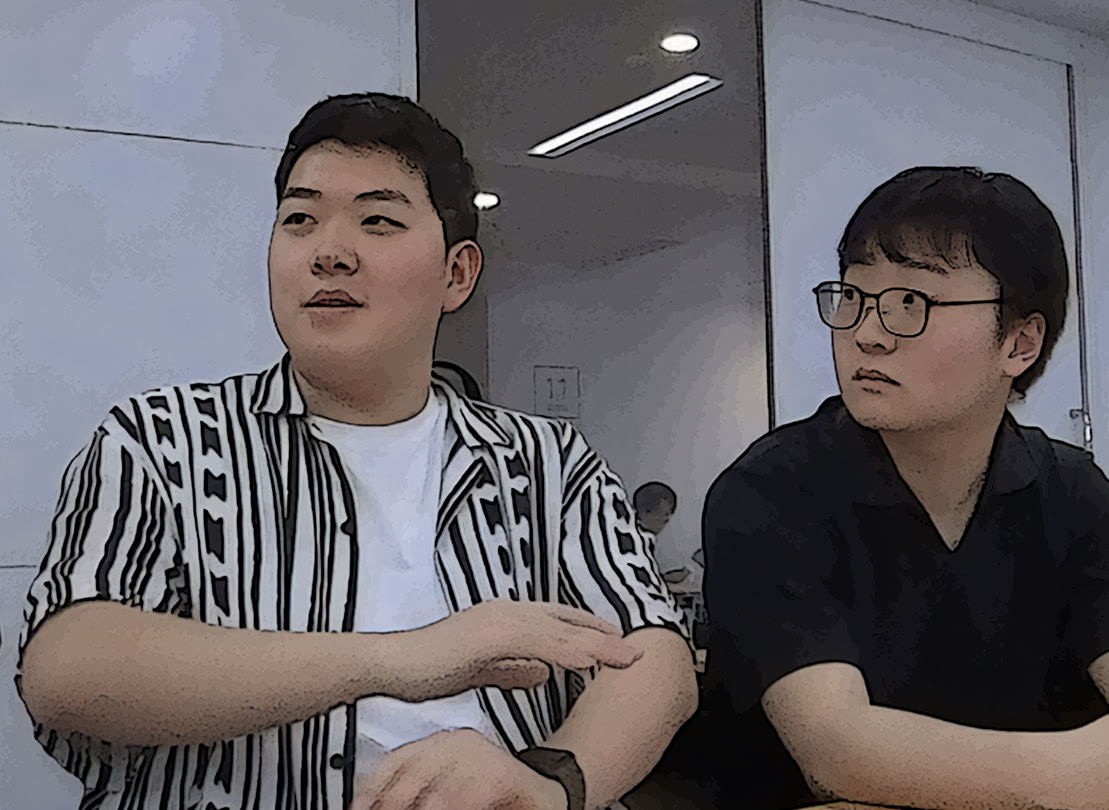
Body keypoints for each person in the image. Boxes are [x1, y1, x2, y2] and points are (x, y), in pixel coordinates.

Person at [15, 93, 697, 810]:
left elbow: (654, 655)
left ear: (457, 275)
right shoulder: (162, 440)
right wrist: (405, 656)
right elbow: (67, 667)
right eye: (299, 219)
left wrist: (547, 785)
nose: (329, 252)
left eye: (378, 221)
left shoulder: (547, 462)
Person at [694, 166, 1109, 809]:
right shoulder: (770, 492)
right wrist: (1077, 776)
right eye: (853, 297)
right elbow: (839, 753)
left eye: (911, 303)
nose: (866, 333)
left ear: (1020, 343)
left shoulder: (1075, 493)